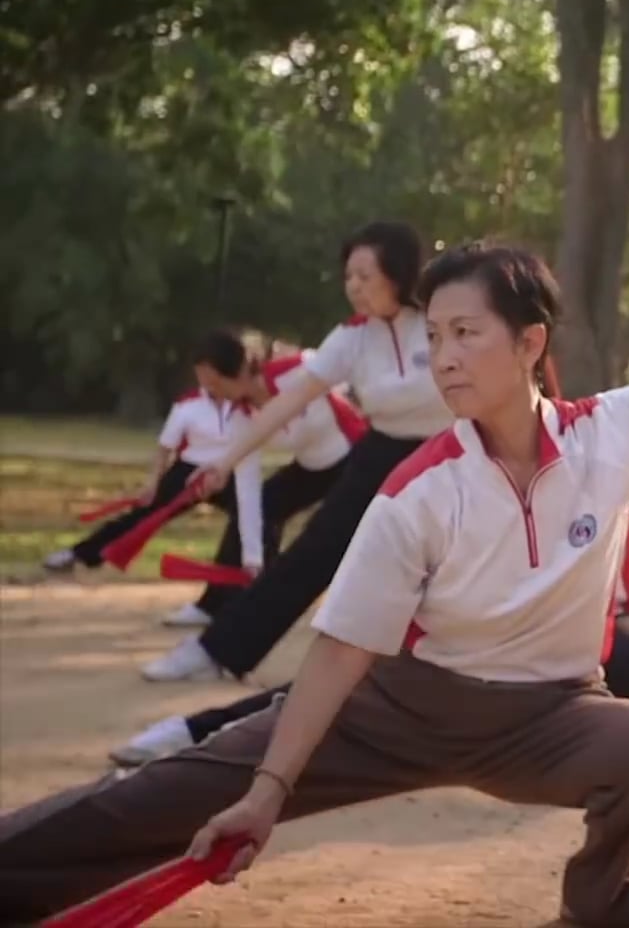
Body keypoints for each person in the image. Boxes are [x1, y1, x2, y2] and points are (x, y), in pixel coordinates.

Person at [0, 241, 629, 928]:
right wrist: (266, 788)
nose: (446, 357)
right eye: (435, 339)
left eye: (468, 333)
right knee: (152, 802)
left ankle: (602, 903)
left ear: (531, 345)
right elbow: (341, 650)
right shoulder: (417, 489)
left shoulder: (617, 431)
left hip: (551, 716)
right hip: (395, 710)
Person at [141, 221, 454, 682]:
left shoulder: (443, 323)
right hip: (380, 453)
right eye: (348, 276)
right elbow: (289, 400)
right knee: (313, 552)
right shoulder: (350, 339)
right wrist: (224, 460)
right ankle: (218, 653)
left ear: (399, 273)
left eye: (365, 276)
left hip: (451, 453)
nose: (354, 287)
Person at [112, 506, 629, 766]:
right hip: (477, 637)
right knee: (356, 681)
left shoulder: (594, 461)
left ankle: (601, 765)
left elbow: (613, 598)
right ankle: (199, 732)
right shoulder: (455, 482)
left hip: (589, 630)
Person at [163, 330, 369, 628]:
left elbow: (355, 374)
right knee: (264, 507)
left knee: (347, 537)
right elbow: (247, 487)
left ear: (238, 372)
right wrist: (252, 556)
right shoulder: (239, 414)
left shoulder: (299, 370)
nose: (209, 394)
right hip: (311, 467)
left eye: (214, 384)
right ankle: (220, 605)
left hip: (356, 459)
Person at [42, 334, 269, 593]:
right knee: (143, 515)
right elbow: (165, 448)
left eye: (207, 371)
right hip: (189, 472)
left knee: (260, 512)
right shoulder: (188, 405)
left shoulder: (251, 404)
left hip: (234, 470)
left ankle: (255, 571)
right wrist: (152, 482)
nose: (204, 379)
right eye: (199, 373)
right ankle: (79, 554)